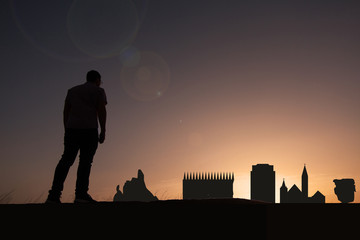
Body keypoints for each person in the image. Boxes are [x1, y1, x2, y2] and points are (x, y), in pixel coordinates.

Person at [46, 70, 107, 203]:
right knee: (85, 162)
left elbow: (66, 111)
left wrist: (66, 129)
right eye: (100, 81)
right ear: (97, 79)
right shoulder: (99, 91)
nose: (100, 83)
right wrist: (103, 130)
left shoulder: (72, 91)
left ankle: (54, 195)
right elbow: (101, 110)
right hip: (89, 130)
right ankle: (80, 194)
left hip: (72, 130)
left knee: (66, 160)